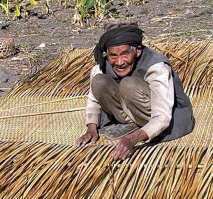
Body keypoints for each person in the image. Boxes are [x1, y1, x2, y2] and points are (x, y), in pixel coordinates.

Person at [75, 22, 195, 160]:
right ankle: (131, 123)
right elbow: (93, 100)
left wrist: (132, 139)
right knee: (99, 81)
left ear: (137, 50)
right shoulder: (101, 66)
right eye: (113, 55)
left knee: (128, 84)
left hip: (161, 116)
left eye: (125, 54)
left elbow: (162, 116)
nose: (119, 62)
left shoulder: (156, 66)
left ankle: (142, 128)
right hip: (130, 113)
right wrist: (91, 128)